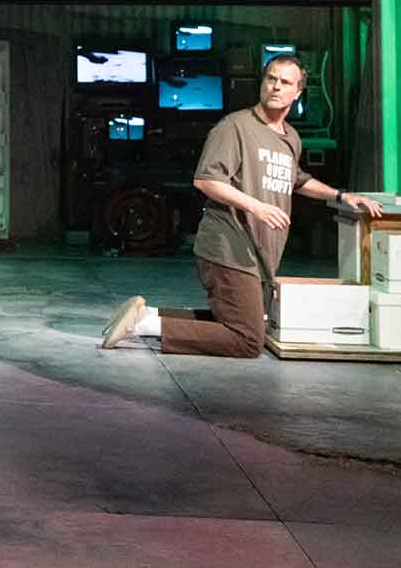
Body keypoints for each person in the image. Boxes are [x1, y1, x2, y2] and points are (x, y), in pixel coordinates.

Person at [101, 54, 382, 356]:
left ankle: (148, 316)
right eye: (270, 79)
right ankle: (143, 327)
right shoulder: (235, 126)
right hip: (228, 245)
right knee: (248, 340)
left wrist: (340, 196)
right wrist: (256, 206)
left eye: (285, 82)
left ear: (298, 92)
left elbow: (297, 179)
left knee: (243, 324)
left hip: (258, 252)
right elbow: (206, 180)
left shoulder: (291, 138)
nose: (275, 87)